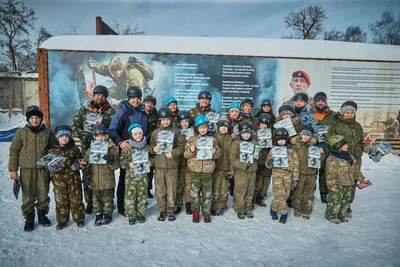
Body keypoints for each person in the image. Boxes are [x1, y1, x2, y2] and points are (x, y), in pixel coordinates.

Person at [8, 105, 55, 232]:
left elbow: (54, 149)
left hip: (43, 169)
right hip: (26, 169)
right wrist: (13, 169)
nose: (35, 120)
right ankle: (29, 217)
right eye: (32, 118)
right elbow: (14, 151)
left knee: (43, 193)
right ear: (28, 119)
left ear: (41, 119)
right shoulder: (21, 133)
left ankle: (42, 215)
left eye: (37, 118)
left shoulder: (48, 133)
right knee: (28, 194)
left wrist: (53, 163)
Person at [71, 84, 116, 214]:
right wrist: (86, 137)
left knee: (106, 173)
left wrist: (107, 138)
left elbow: (114, 129)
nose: (100, 97)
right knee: (88, 174)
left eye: (103, 95)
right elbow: (74, 126)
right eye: (98, 94)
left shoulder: (111, 111)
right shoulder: (84, 110)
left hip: (105, 147)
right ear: (93, 95)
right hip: (88, 148)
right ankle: (90, 202)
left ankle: (108, 201)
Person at [108, 86, 149, 216]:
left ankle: (138, 205)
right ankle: (122, 206)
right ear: (129, 98)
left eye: (138, 98)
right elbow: (112, 130)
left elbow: (146, 131)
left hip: (141, 150)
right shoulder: (122, 112)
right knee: (125, 177)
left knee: (140, 177)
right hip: (128, 150)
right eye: (133, 98)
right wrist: (120, 142)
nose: (136, 100)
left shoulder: (143, 113)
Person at [327, 100, 371, 218]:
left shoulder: (357, 126)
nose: (349, 114)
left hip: (355, 158)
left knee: (352, 181)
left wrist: (365, 147)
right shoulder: (335, 125)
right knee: (340, 181)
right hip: (341, 158)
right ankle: (335, 206)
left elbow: (360, 141)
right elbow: (330, 140)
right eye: (347, 112)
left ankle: (347, 206)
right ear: (342, 113)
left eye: (352, 112)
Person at [150, 107, 186, 222]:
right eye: (163, 119)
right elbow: (150, 146)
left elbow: (182, 146)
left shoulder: (176, 132)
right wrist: (153, 149)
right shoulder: (155, 133)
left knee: (172, 190)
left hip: (172, 166)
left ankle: (171, 209)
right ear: (159, 120)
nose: (165, 122)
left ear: (171, 119)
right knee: (160, 190)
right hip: (159, 166)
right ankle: (161, 210)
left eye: (168, 119)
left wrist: (174, 153)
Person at [184, 115, 221, 223]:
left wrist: (215, 152)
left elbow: (219, 153)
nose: (203, 129)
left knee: (207, 193)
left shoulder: (213, 140)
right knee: (194, 193)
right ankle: (195, 212)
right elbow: (186, 154)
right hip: (195, 171)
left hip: (207, 171)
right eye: (201, 127)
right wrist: (191, 150)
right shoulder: (192, 139)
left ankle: (206, 212)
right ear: (197, 128)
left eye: (205, 127)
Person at [325, 135, 370, 224]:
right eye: (344, 145)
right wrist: (332, 185)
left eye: (346, 144)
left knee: (346, 201)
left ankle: (342, 215)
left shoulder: (349, 156)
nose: (347, 146)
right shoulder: (332, 159)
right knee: (335, 201)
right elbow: (330, 173)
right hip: (338, 184)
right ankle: (331, 215)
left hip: (349, 183)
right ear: (337, 147)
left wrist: (361, 179)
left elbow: (355, 170)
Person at [48, 125, 85, 230]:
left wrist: (79, 164)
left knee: (76, 199)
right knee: (61, 200)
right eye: (61, 136)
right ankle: (62, 220)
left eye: (66, 136)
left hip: (74, 179)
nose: (64, 138)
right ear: (57, 137)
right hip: (59, 180)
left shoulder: (74, 149)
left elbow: (81, 161)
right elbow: (48, 164)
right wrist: (51, 168)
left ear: (70, 137)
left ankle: (79, 218)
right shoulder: (52, 150)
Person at [82, 124, 120, 226]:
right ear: (95, 137)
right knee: (96, 199)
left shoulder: (111, 150)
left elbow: (116, 165)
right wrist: (84, 165)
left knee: (107, 198)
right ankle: (98, 213)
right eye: (98, 136)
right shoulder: (90, 150)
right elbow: (85, 163)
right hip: (94, 180)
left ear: (106, 136)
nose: (101, 138)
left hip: (107, 180)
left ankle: (108, 214)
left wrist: (111, 160)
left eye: (103, 136)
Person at [266, 128, 299, 224]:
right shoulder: (273, 151)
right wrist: (269, 162)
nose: (281, 142)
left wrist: (295, 178)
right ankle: (284, 213)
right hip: (277, 174)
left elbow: (296, 165)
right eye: (279, 140)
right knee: (280, 194)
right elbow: (267, 164)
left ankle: (273, 208)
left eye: (283, 140)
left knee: (286, 194)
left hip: (288, 175)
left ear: (286, 140)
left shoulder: (291, 151)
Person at [120, 124, 151, 225]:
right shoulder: (128, 147)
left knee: (142, 196)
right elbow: (122, 161)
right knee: (130, 197)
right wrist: (128, 164)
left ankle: (141, 214)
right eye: (135, 134)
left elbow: (152, 158)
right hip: (131, 178)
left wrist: (151, 162)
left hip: (143, 178)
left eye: (140, 134)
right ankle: (131, 215)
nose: (138, 136)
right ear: (132, 135)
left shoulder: (146, 147)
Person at [87, 56, 154, 102]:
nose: (112, 76)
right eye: (111, 73)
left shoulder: (133, 77)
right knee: (105, 92)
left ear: (122, 70)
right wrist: (94, 66)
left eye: (115, 74)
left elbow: (138, 99)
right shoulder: (113, 68)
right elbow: (103, 69)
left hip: (140, 93)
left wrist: (119, 102)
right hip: (124, 90)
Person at [310, 92, 336, 203]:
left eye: (322, 101)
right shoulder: (309, 113)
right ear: (315, 102)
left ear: (325, 102)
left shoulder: (333, 115)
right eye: (318, 101)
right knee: (312, 170)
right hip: (312, 146)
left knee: (325, 171)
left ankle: (324, 193)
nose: (320, 103)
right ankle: (310, 192)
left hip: (327, 147)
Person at [230, 120, 259, 219]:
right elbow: (233, 158)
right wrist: (242, 165)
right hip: (241, 171)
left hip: (252, 170)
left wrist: (257, 153)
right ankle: (240, 208)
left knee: (250, 190)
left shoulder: (254, 142)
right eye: (243, 133)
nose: (246, 135)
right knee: (240, 190)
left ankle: (248, 207)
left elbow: (257, 156)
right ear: (240, 132)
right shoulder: (236, 143)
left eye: (248, 132)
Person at [291, 125, 318, 220]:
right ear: (300, 135)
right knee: (298, 192)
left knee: (309, 193)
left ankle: (307, 210)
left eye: (308, 135)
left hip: (311, 173)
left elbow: (319, 160)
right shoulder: (295, 146)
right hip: (299, 173)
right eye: (304, 134)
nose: (305, 137)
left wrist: (321, 155)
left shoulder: (314, 146)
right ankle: (297, 209)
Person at [211, 117, 234, 216]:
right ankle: (213, 206)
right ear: (218, 127)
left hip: (226, 168)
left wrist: (231, 170)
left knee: (224, 190)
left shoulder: (231, 138)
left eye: (225, 126)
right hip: (215, 168)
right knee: (215, 188)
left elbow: (233, 156)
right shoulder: (213, 138)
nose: (224, 128)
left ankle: (221, 206)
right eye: (221, 126)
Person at [176, 110, 194, 215]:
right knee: (179, 184)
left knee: (189, 184)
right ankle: (178, 204)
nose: (184, 124)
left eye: (186, 121)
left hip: (189, 162)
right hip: (179, 161)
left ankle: (188, 204)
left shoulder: (193, 133)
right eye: (182, 122)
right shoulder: (176, 133)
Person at [253, 113, 272, 207]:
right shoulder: (254, 133)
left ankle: (260, 198)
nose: (263, 126)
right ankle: (253, 197)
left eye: (265, 124)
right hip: (258, 159)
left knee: (266, 181)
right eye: (262, 123)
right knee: (258, 181)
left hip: (267, 159)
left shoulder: (270, 133)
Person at [142, 95, 158, 198]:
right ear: (144, 103)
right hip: (140, 144)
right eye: (147, 102)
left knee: (150, 167)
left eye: (151, 103)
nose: (149, 105)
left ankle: (148, 189)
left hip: (151, 144)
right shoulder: (139, 114)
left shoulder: (157, 116)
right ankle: (141, 188)